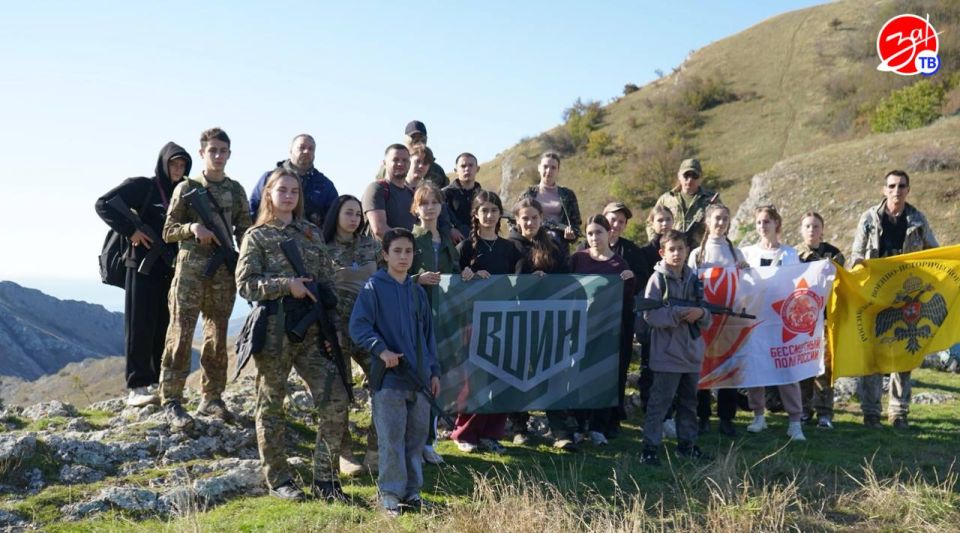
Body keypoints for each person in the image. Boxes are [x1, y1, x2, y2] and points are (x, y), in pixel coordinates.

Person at [236, 168, 349, 502]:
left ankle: (326, 479)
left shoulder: (312, 233)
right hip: (274, 330)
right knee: (271, 405)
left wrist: (334, 328)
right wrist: (287, 285)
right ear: (269, 193)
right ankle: (279, 480)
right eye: (281, 190)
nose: (288, 196)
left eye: (294, 191)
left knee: (336, 397)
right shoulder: (256, 236)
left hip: (314, 331)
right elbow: (245, 284)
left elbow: (329, 282)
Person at [159, 127, 252, 429]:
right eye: (212, 150)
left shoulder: (236, 190)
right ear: (202, 153)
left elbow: (245, 231)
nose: (218, 156)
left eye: (223, 151)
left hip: (222, 271)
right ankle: (172, 400)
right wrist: (192, 230)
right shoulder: (186, 189)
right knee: (181, 334)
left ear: (229, 154)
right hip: (190, 270)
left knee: (216, 336)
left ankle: (212, 397)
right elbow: (168, 230)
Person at [350, 228, 441, 517]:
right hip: (389, 380)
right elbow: (359, 326)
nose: (403, 256)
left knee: (415, 440)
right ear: (385, 254)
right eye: (397, 251)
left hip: (421, 380)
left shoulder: (417, 292)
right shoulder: (373, 288)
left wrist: (434, 371)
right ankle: (390, 495)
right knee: (391, 438)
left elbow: (428, 336)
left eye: (408, 251)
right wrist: (381, 350)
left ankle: (413, 493)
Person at [95, 142, 192, 407]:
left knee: (163, 325)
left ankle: (158, 382)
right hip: (140, 267)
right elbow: (103, 204)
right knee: (140, 326)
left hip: (170, 270)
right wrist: (131, 231)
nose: (178, 169)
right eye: (173, 163)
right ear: (163, 163)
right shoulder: (144, 186)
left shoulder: (185, 192)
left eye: (182, 164)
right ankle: (137, 386)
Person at [851, 170, 938, 429]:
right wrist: (858, 268)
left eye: (901, 186)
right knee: (873, 354)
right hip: (875, 295)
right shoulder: (868, 218)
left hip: (907, 296)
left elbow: (933, 251)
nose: (896, 190)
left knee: (904, 353)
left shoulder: (917, 220)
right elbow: (856, 251)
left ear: (908, 190)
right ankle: (871, 413)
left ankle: (899, 413)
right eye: (891, 185)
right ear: (883, 189)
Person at [451, 191, 523, 454]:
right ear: (476, 215)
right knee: (475, 380)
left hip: (503, 320)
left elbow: (520, 282)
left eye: (494, 210)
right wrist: (464, 275)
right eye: (485, 210)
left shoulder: (510, 248)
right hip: (473, 322)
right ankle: (465, 433)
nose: (490, 215)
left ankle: (491, 434)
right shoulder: (466, 247)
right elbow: (452, 284)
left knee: (500, 379)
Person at [640, 229, 712, 465]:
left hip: (691, 354)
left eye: (681, 248)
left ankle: (687, 444)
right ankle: (650, 447)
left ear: (687, 250)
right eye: (672, 249)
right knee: (659, 403)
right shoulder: (658, 279)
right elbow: (650, 315)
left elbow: (708, 315)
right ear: (662, 252)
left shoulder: (694, 279)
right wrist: (679, 313)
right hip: (667, 355)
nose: (677, 253)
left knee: (689, 403)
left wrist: (700, 312)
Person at [322, 195, 382, 476]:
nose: (355, 218)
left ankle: (376, 449)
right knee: (341, 390)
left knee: (384, 381)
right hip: (336, 329)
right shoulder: (323, 249)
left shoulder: (371, 244)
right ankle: (345, 453)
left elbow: (387, 276)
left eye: (358, 213)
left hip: (369, 327)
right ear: (336, 215)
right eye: (349, 213)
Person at [508, 197, 573, 450]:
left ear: (541, 219)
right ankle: (519, 427)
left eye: (534, 217)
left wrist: (548, 280)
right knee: (518, 372)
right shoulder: (509, 247)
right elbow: (504, 282)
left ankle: (559, 430)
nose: (530, 222)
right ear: (517, 220)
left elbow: (565, 279)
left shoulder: (554, 247)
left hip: (548, 321)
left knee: (552, 372)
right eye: (525, 218)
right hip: (517, 320)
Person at [739, 205, 806, 441]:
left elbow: (799, 284)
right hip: (756, 319)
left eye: (767, 221)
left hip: (781, 321)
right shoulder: (746, 253)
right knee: (756, 367)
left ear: (777, 223)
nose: (762, 226)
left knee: (787, 368)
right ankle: (758, 416)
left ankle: (795, 422)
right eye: (758, 222)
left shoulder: (790, 254)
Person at [408, 183, 463, 465]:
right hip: (416, 320)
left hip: (445, 321)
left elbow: (453, 273)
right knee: (421, 381)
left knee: (436, 381)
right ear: (415, 208)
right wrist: (417, 278)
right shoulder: (409, 240)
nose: (429, 208)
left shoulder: (446, 239)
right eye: (423, 203)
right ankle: (417, 443)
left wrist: (465, 273)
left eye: (434, 202)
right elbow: (392, 275)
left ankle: (429, 441)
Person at [569, 215, 635, 444]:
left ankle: (598, 427)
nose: (594, 237)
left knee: (602, 378)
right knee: (577, 378)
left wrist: (629, 282)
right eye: (590, 233)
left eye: (599, 232)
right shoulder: (577, 259)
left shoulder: (619, 265)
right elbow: (564, 289)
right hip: (579, 330)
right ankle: (577, 426)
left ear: (609, 233)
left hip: (608, 333)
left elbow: (626, 302)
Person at [688, 203, 749, 437]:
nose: (720, 223)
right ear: (707, 221)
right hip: (704, 320)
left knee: (728, 368)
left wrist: (745, 270)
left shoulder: (736, 253)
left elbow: (746, 286)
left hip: (729, 320)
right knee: (703, 367)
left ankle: (726, 418)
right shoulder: (697, 254)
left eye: (725, 219)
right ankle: (703, 416)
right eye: (716, 218)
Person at [796, 211, 845, 430]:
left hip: (826, 320)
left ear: (822, 229)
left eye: (816, 226)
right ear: (801, 229)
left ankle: (825, 413)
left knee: (825, 368)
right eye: (807, 226)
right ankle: (804, 410)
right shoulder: (792, 256)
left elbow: (843, 283)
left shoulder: (834, 254)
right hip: (800, 321)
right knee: (803, 367)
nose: (811, 230)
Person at [249, 134, 338, 227]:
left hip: (311, 239)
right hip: (270, 237)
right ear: (291, 150)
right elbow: (252, 210)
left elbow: (334, 218)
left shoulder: (325, 185)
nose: (306, 151)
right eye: (302, 147)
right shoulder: (269, 179)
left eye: (311, 149)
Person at [636, 206, 674, 421]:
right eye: (660, 220)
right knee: (649, 364)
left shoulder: (679, 249)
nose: (664, 224)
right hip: (650, 317)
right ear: (652, 223)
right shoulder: (643, 253)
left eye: (668, 219)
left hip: (673, 318)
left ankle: (670, 410)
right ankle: (648, 406)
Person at [520, 152, 582, 251]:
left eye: (553, 167)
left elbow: (576, 225)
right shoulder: (528, 194)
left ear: (558, 170)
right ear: (539, 168)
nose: (549, 171)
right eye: (545, 166)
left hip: (559, 250)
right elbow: (514, 220)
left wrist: (572, 236)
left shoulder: (568, 195)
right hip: (532, 248)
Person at [650, 158, 720, 246]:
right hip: (672, 250)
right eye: (686, 175)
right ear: (679, 176)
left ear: (700, 177)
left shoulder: (711, 199)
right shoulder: (666, 199)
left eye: (694, 176)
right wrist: (657, 243)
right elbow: (650, 222)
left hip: (700, 250)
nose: (690, 179)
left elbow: (722, 221)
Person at [362, 144, 416, 240]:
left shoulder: (411, 194)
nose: (400, 164)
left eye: (405, 160)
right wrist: (407, 244)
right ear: (384, 163)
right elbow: (379, 230)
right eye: (395, 160)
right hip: (380, 253)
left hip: (408, 253)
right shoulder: (377, 189)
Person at [376, 120, 449, 188]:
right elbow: (380, 187)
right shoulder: (390, 165)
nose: (418, 142)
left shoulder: (436, 170)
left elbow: (443, 195)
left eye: (421, 139)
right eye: (414, 139)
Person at [441, 153, 483, 239]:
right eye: (463, 166)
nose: (467, 169)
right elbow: (439, 218)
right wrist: (450, 229)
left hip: (479, 240)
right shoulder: (444, 194)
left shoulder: (483, 196)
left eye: (471, 165)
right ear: (456, 170)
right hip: (454, 242)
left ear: (477, 169)